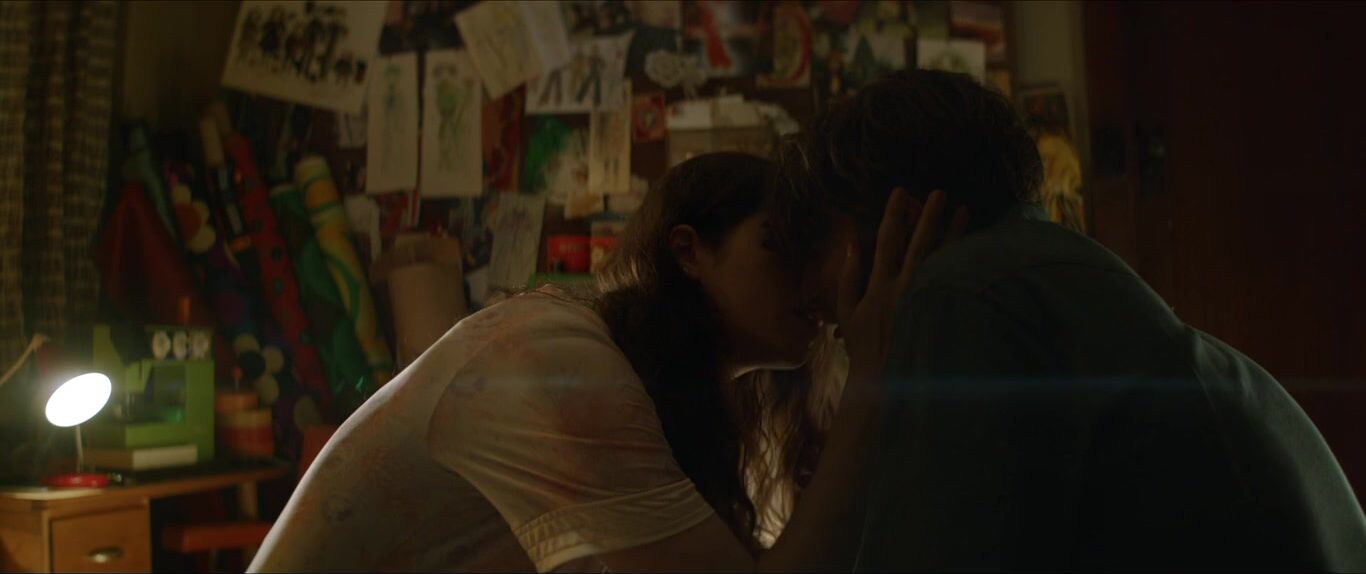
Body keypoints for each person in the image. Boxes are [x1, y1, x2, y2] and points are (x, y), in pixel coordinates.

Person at [248, 152, 961, 572]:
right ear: (689, 251)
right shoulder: (560, 361)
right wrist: (874, 377)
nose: (809, 280)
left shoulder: (689, 403)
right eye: (778, 245)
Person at [773, 69, 1366, 571]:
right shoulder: (1051, 271)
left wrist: (869, 380)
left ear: (900, 219)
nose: (811, 298)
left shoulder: (960, 293)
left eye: (815, 244)